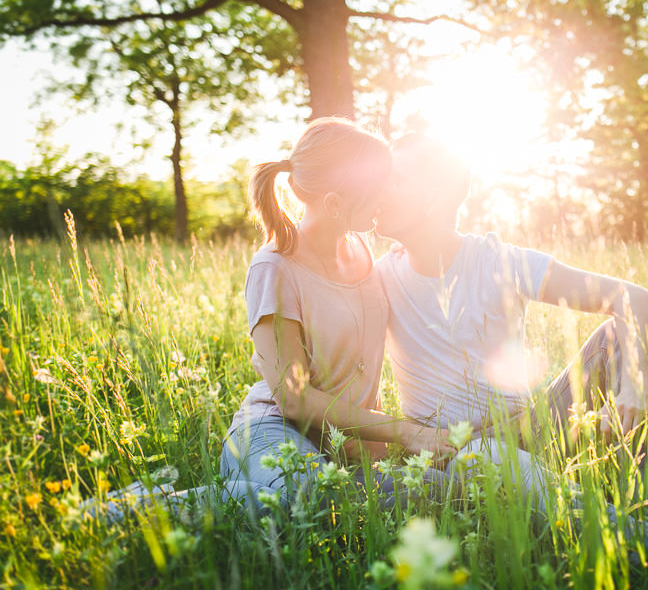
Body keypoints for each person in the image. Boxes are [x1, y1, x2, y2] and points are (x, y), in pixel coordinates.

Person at [80, 118, 453, 523]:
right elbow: (294, 398)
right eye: (379, 184)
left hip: (337, 447)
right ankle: (123, 511)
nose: (387, 192)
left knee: (431, 492)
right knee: (305, 500)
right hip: (272, 432)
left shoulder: (365, 251)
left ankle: (244, 498)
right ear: (334, 203)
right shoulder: (274, 268)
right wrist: (402, 429)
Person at [374, 134, 648, 521]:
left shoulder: (501, 261)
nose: (380, 190)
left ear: (435, 196)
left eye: (395, 180)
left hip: (531, 430)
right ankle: (636, 538)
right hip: (444, 452)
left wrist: (635, 388)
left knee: (617, 339)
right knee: (484, 456)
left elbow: (636, 300)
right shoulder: (377, 278)